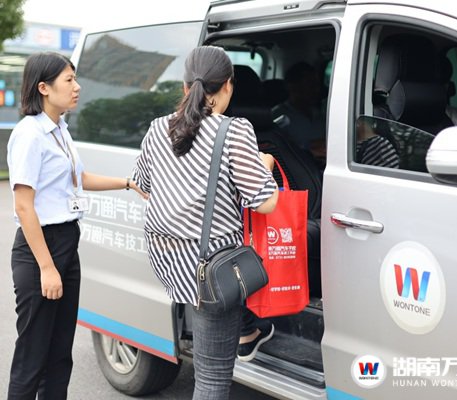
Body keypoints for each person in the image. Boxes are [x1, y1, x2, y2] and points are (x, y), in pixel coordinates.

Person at [131, 45, 279, 399]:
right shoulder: (234, 131)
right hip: (212, 267)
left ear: (186, 87)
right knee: (211, 380)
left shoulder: (157, 128)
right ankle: (245, 331)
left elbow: (143, 186)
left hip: (170, 259)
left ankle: (245, 331)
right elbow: (266, 202)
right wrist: (266, 165)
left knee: (208, 347)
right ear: (228, 85)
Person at [6, 52, 146, 399]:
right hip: (40, 248)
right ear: (43, 88)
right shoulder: (29, 134)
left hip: (67, 242)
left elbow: (78, 179)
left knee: (59, 355)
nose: (77, 87)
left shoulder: (60, 130)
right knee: (32, 358)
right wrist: (46, 267)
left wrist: (127, 183)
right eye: (69, 80)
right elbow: (24, 205)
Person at [272, 62, 327, 159]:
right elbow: (277, 149)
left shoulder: (322, 115)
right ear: (292, 86)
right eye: (310, 85)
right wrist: (309, 147)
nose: (316, 90)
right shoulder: (278, 116)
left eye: (317, 85)